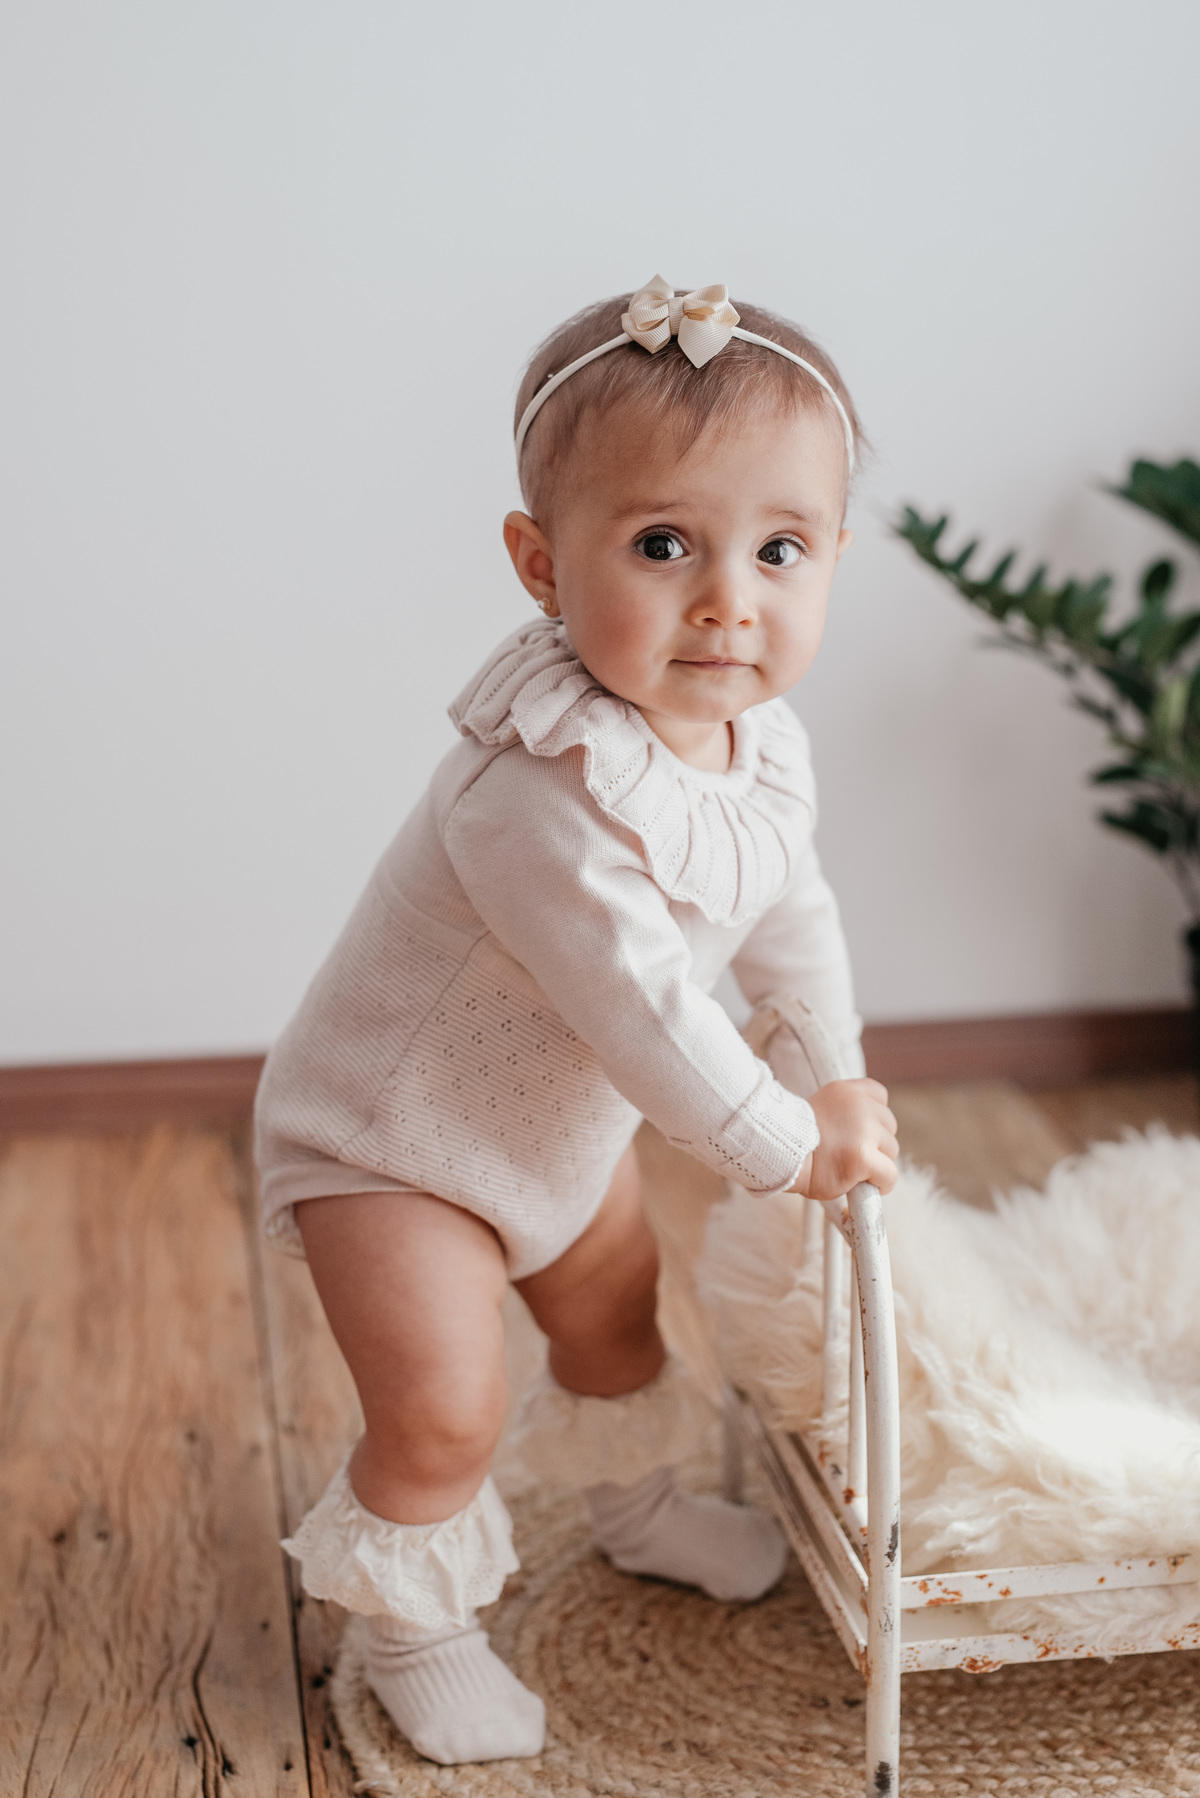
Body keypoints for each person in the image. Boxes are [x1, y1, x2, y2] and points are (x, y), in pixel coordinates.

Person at [255, 275, 900, 1766]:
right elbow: (647, 1009)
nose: (729, 595)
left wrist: (840, 1065)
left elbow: (789, 913)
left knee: (615, 1316)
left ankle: (638, 1499)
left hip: (551, 1126)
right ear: (542, 564)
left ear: (832, 563)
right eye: (664, 543)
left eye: (780, 548)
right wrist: (786, 1140)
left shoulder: (754, 743)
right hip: (392, 1139)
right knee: (444, 1410)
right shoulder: (534, 787)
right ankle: (415, 1625)